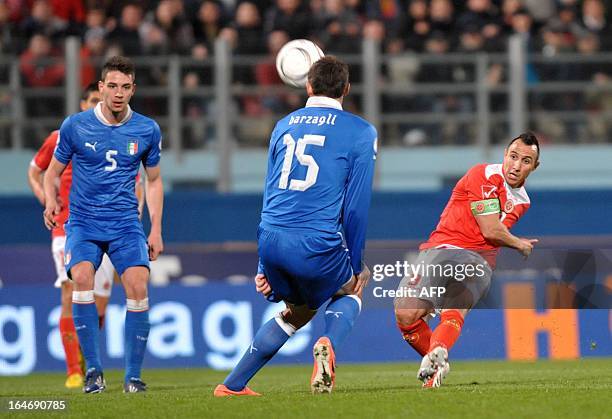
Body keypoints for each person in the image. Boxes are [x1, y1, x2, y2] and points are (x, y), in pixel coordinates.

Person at [214, 56, 377, 397]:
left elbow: (270, 192)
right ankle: (328, 344)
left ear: (307, 85)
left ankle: (232, 385)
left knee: (298, 312)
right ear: (346, 89)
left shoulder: (284, 124)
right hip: (316, 242)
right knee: (351, 289)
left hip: (271, 238)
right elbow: (356, 208)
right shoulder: (361, 131)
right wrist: (357, 264)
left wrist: (262, 263)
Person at [42, 56, 164, 394]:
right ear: (100, 88)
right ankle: (92, 371)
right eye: (112, 86)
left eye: (125, 87)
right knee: (81, 278)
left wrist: (155, 229)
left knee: (138, 284)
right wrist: (52, 201)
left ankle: (133, 377)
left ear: (133, 90)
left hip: (126, 223)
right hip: (83, 222)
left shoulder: (147, 129)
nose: (118, 93)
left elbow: (153, 181)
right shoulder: (75, 126)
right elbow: (51, 172)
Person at [393, 132, 540, 388]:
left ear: (534, 167)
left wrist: (511, 240)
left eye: (526, 161)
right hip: (440, 249)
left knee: (454, 308)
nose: (516, 165)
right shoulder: (482, 175)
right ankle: (438, 358)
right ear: (504, 155)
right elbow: (491, 230)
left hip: (478, 260)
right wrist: (519, 244)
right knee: (406, 314)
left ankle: (437, 355)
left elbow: (492, 236)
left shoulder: (522, 200)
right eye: (513, 157)